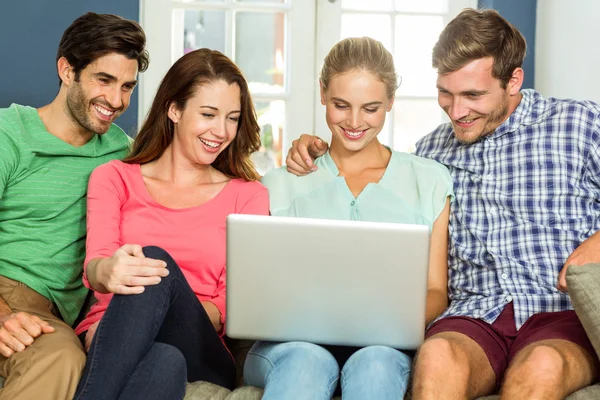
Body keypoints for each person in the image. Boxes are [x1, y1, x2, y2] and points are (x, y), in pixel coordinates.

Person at [285, 8, 600, 400]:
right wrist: (314, 149)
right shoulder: (431, 151)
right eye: (445, 94)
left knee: (542, 366)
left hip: (557, 313)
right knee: (435, 356)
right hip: (473, 315)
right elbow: (368, 157)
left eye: (473, 95)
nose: (457, 111)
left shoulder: (579, 125)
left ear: (514, 80)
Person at [243, 37, 453, 400]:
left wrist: (384, 326)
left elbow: (436, 290)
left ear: (390, 101)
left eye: (370, 108)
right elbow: (260, 291)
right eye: (341, 105)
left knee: (376, 366)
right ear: (322, 93)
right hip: (289, 347)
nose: (354, 122)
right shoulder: (277, 185)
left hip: (386, 348)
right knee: (305, 360)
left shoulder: (430, 180)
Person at [72, 48, 269, 400]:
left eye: (232, 118)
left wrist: (153, 318)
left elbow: (232, 303)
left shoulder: (247, 196)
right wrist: (109, 273)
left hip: (202, 344)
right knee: (163, 361)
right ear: (174, 109)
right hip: (111, 330)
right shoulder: (113, 178)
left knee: (151, 262)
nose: (221, 131)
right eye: (208, 114)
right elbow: (96, 266)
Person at [0, 12, 148, 400]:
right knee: (61, 357)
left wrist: (303, 158)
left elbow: (189, 172)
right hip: (5, 290)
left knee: (63, 355)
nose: (117, 101)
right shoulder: (9, 133)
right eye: (104, 80)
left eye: (127, 86)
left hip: (51, 316)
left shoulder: (122, 153)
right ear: (67, 70)